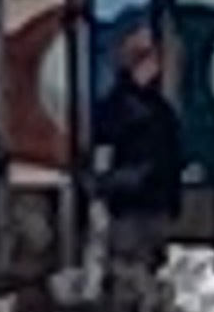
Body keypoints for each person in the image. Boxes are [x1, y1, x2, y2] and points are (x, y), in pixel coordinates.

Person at [81, 29, 193, 284]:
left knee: (144, 266)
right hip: (132, 204)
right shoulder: (123, 108)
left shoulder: (153, 107)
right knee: (130, 266)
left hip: (147, 201)